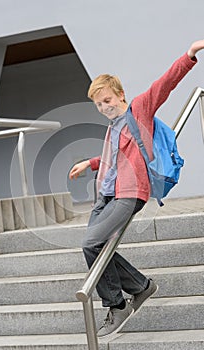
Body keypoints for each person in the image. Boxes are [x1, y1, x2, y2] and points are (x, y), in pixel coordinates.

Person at [69, 39, 204, 338]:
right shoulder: (112, 128)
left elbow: (164, 85)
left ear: (120, 95)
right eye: (99, 104)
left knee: (91, 243)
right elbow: (115, 158)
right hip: (104, 194)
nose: (104, 107)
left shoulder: (138, 111)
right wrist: (89, 164)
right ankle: (141, 287)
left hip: (129, 194)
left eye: (108, 100)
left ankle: (117, 305)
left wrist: (190, 54)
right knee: (95, 247)